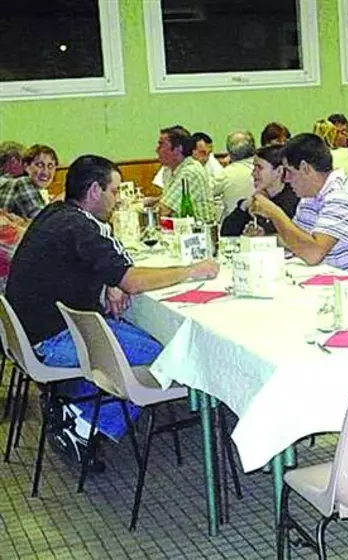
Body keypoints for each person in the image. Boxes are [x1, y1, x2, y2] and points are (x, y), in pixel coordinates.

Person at [6, 155, 218, 460]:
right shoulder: (82, 227)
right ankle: (81, 422)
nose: (117, 200)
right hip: (51, 340)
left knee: (141, 336)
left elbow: (88, 264)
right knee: (167, 357)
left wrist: (109, 281)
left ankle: (72, 402)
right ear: (95, 191)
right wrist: (191, 270)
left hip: (31, 332)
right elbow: (132, 281)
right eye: (114, 191)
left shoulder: (56, 213)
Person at [250, 133, 348, 283]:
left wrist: (274, 213)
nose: (285, 179)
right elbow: (299, 241)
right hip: (337, 281)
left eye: (289, 172)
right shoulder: (310, 196)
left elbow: (313, 254)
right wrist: (265, 239)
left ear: (305, 168)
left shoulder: (344, 196)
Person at [220, 144, 299, 237]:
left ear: (279, 171)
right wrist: (245, 205)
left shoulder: (296, 202)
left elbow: (296, 237)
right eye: (254, 167)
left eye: (259, 168)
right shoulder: (256, 201)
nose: (253, 173)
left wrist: (264, 236)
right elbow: (226, 233)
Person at [155, 125, 216, 223]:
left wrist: (138, 209)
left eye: (161, 145)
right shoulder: (175, 170)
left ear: (178, 149)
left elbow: (163, 211)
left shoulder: (189, 172)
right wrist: (152, 200)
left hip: (198, 234)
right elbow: (169, 200)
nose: (157, 149)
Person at [0, 144, 58, 219]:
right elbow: (44, 220)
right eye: (40, 165)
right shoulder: (23, 182)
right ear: (26, 166)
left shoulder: (10, 183)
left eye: (50, 166)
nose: (45, 171)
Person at [213, 130, 256, 222]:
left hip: (233, 226)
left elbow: (208, 191)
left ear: (230, 153)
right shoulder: (264, 169)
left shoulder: (226, 174)